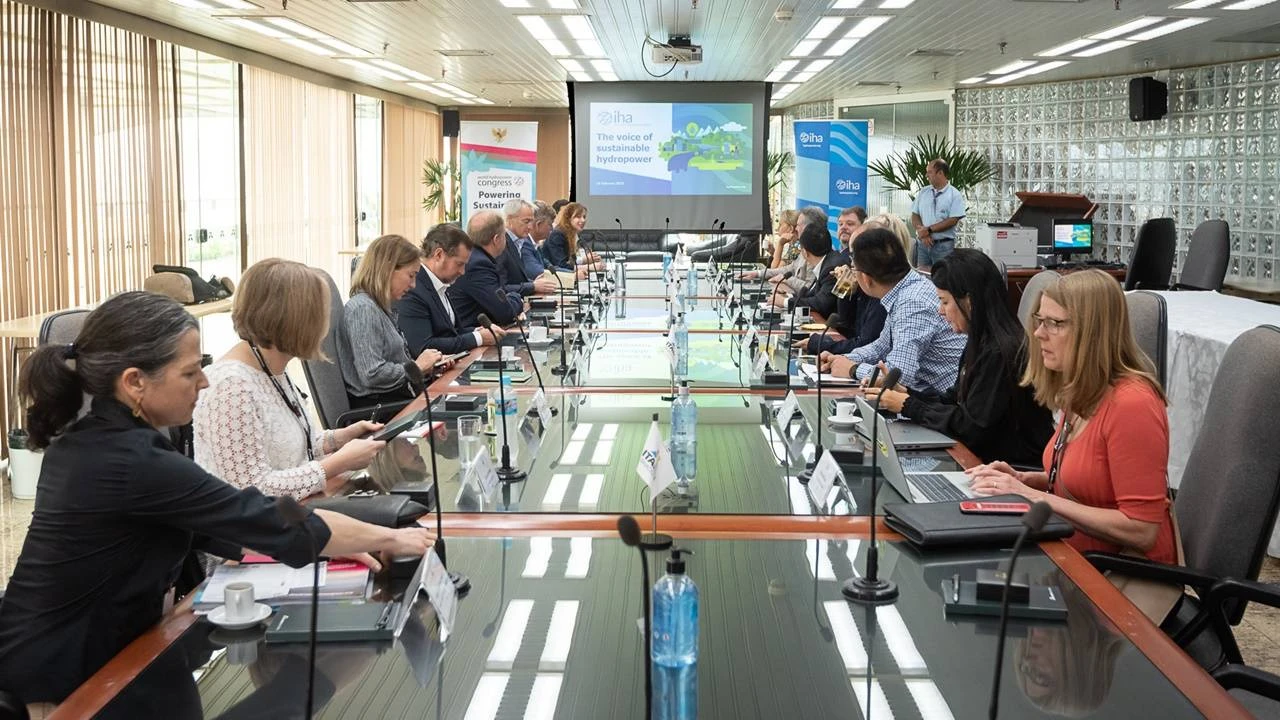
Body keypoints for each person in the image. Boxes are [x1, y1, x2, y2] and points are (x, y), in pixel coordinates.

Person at [0, 291, 434, 704]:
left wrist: (334, 543)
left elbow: (225, 525)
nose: (204, 382)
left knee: (298, 691)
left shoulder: (104, 439)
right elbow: (263, 518)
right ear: (134, 382)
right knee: (298, 695)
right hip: (64, 684)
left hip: (85, 653)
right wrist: (393, 539)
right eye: (190, 372)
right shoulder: (131, 460)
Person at [966, 269, 1178, 565]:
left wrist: (1034, 497)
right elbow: (1088, 483)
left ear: (1092, 333)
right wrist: (1024, 480)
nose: (1039, 333)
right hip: (1073, 557)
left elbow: (1142, 530)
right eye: (1040, 320)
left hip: (1120, 575)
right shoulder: (1083, 390)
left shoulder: (1133, 404)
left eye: (1054, 323)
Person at [193, 259, 387, 501]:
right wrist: (338, 463)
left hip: (296, 509)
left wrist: (339, 438)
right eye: (320, 315)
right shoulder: (230, 388)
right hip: (263, 522)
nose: (326, 326)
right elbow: (250, 491)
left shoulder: (271, 367)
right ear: (293, 320)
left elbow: (287, 448)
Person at [864, 249, 1053, 465]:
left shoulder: (1000, 352)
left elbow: (972, 428)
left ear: (969, 302)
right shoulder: (979, 340)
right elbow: (954, 401)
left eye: (945, 302)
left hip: (1009, 469)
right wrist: (906, 394)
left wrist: (908, 406)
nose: (940, 311)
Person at [819, 227, 967, 394]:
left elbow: (899, 376)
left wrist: (853, 369)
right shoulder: (903, 289)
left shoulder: (912, 302)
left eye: (854, 269)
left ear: (866, 279)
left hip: (942, 401)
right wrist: (842, 359)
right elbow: (881, 347)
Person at [339, 234, 445, 406]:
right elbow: (372, 374)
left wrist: (426, 367)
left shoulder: (380, 307)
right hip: (382, 409)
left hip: (396, 399)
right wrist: (417, 367)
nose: (413, 285)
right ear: (387, 269)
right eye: (411, 275)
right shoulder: (364, 309)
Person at [397, 223, 506, 357]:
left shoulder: (439, 283)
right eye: (459, 264)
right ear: (439, 255)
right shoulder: (413, 289)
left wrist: (479, 331)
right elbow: (423, 347)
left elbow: (451, 332)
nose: (462, 272)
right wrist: (478, 338)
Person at [448, 210, 527, 328]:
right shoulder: (478, 264)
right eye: (504, 235)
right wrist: (517, 298)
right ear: (496, 239)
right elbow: (505, 312)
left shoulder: (475, 257)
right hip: (469, 332)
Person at [743, 206, 825, 294]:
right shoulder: (804, 246)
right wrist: (758, 273)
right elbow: (787, 269)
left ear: (808, 228)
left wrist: (785, 279)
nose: (796, 229)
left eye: (798, 225)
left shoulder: (813, 249)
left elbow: (810, 288)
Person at [777, 224, 848, 319]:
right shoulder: (828, 260)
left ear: (804, 252)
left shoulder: (831, 268)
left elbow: (820, 303)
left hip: (833, 325)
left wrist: (784, 302)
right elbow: (812, 294)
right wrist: (789, 296)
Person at [910, 158, 966, 269]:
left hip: (943, 246)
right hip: (923, 244)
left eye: (930, 172)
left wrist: (929, 230)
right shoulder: (923, 192)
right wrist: (923, 233)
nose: (926, 175)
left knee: (942, 276)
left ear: (940, 173)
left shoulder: (954, 194)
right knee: (922, 276)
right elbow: (915, 215)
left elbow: (953, 220)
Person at [499, 199, 557, 297]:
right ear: (509, 219)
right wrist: (533, 286)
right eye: (526, 221)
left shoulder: (517, 242)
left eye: (531, 221)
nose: (530, 227)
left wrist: (533, 283)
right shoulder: (501, 244)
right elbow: (501, 288)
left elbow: (517, 279)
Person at [542, 202, 595, 278]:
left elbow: (571, 261)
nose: (583, 220)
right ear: (568, 218)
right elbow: (561, 265)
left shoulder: (572, 234)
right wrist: (589, 267)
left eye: (584, 217)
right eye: (578, 217)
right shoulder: (557, 235)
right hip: (552, 278)